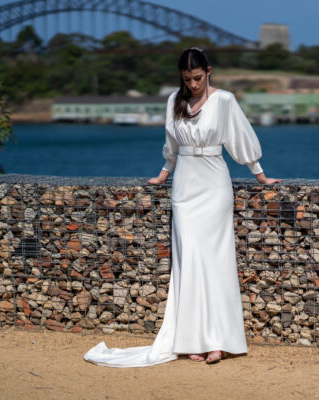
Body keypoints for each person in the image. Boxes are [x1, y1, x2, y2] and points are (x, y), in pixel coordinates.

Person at [83, 47, 281, 367]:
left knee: (215, 262)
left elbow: (241, 138)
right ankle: (191, 340)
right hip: (185, 186)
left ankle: (218, 340)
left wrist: (261, 176)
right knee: (188, 261)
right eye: (187, 79)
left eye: (198, 78)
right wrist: (163, 175)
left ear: (209, 72)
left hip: (215, 184)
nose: (193, 84)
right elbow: (171, 145)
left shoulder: (225, 100)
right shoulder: (174, 101)